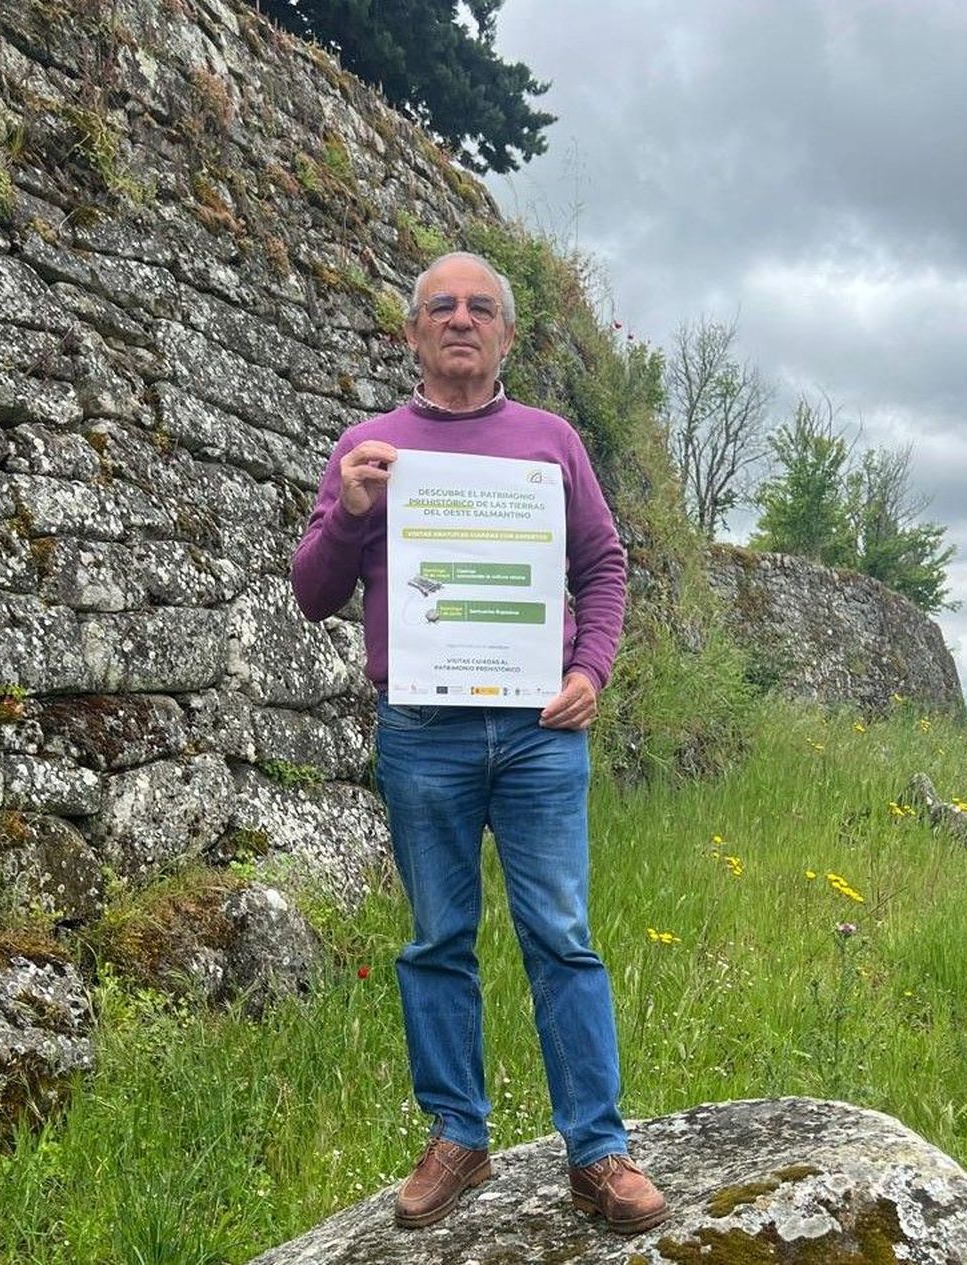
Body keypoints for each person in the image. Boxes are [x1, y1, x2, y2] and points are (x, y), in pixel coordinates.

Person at [291, 251, 668, 1236]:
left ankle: (597, 1150)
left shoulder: (551, 441)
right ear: (413, 332)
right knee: (436, 938)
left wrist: (591, 668)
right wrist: (349, 513)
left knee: (562, 935)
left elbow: (603, 564)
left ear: (506, 333)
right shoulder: (369, 448)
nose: (461, 319)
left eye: (480, 307)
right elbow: (314, 592)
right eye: (442, 306)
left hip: (540, 731)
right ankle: (458, 1134)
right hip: (423, 733)